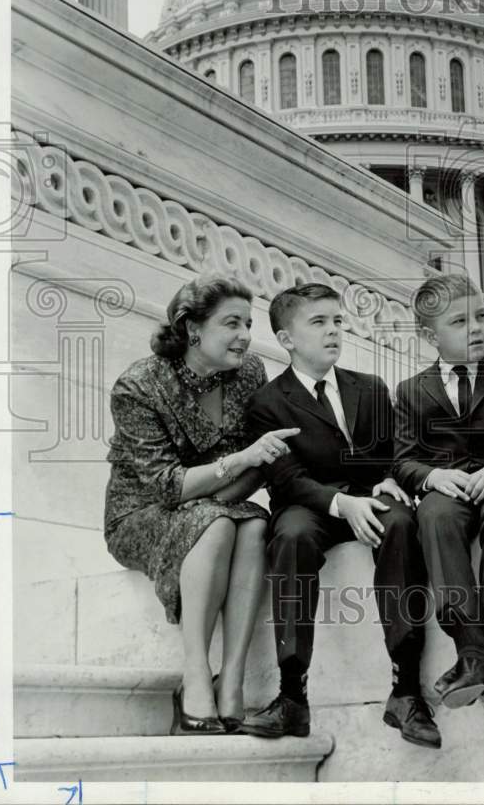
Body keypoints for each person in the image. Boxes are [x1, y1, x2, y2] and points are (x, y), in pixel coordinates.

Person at [245, 283, 440, 749]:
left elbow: (393, 454)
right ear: (286, 338)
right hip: (310, 507)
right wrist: (341, 504)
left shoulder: (370, 388)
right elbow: (286, 480)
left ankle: (407, 690)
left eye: (337, 321)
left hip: (369, 496)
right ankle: (292, 696)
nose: (334, 331)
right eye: (319, 323)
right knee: (289, 535)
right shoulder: (267, 404)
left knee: (399, 521)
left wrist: (389, 478)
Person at [105, 273, 299, 736]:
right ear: (192, 328)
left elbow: (263, 459)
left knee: (254, 525)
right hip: (140, 512)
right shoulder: (137, 386)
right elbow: (165, 486)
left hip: (220, 504)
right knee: (215, 523)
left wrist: (240, 469)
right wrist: (242, 461)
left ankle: (230, 682)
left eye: (248, 324)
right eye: (232, 323)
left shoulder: (249, 372)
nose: (245, 336)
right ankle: (194, 676)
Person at [393, 274, 484, 708]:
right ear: (429, 335)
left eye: (480, 316)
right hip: (448, 488)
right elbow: (402, 460)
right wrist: (432, 477)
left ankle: (477, 650)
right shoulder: (411, 390)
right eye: (459, 321)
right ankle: (473, 647)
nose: (476, 328)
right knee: (433, 516)